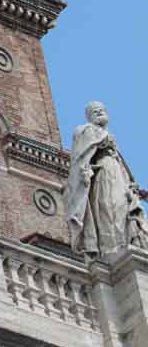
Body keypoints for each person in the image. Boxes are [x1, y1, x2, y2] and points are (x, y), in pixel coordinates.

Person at [65, 100, 148, 257]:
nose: (98, 112)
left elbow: (122, 166)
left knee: (123, 208)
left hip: (117, 174)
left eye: (101, 109)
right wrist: (86, 171)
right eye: (94, 111)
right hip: (103, 173)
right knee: (109, 207)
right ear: (88, 117)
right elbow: (80, 158)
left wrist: (134, 188)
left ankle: (126, 243)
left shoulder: (110, 140)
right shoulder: (85, 130)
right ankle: (113, 249)